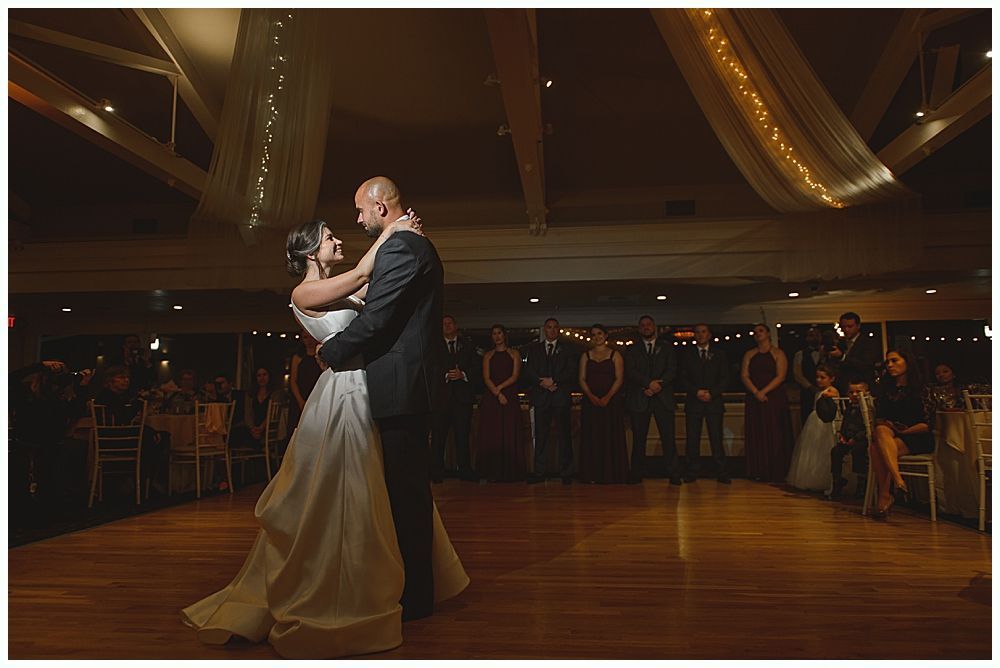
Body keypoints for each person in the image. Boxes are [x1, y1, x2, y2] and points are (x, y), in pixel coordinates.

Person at [183, 199, 468, 658]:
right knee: (341, 488)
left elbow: (372, 291)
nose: (339, 238)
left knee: (372, 488)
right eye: (330, 236)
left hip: (366, 387)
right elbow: (361, 277)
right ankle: (336, 585)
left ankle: (379, 577)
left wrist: (399, 235)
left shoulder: (340, 286)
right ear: (313, 251)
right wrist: (393, 231)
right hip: (342, 393)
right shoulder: (303, 293)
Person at [318, 177, 468, 623]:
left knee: (407, 496)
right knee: (403, 493)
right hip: (400, 385)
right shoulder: (401, 242)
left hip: (403, 386)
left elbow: (380, 318)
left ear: (381, 207)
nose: (357, 218)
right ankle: (412, 587)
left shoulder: (403, 248)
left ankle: (416, 599)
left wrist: (332, 350)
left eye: (361, 209)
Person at [870, 349, 935, 518]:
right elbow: (879, 418)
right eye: (888, 362)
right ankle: (897, 480)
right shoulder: (885, 388)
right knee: (880, 430)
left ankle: (885, 495)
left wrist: (906, 430)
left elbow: (927, 425)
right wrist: (891, 425)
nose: (890, 365)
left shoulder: (922, 389)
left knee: (876, 449)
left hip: (917, 436)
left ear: (907, 362)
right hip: (890, 435)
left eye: (894, 361)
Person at [623, 315, 679, 484]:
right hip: (641, 397)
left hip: (663, 398)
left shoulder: (667, 347)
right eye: (642, 325)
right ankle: (637, 474)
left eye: (649, 324)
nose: (646, 327)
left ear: (654, 326)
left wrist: (657, 386)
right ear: (639, 329)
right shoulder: (632, 349)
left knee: (668, 438)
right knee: (639, 439)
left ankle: (674, 474)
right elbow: (630, 371)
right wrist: (648, 384)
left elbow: (672, 369)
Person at [521, 318, 578, 484]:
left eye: (555, 328)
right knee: (541, 436)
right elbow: (528, 370)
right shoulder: (535, 349)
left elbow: (572, 370)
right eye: (549, 327)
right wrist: (542, 382)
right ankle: (540, 472)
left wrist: (554, 381)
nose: (552, 330)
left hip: (560, 397)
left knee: (564, 436)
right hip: (541, 398)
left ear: (558, 330)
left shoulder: (568, 349)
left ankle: (566, 473)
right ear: (545, 330)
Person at [740, 323, 794, 482]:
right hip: (754, 397)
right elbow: (744, 375)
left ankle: (776, 469)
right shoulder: (749, 354)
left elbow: (781, 376)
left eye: (761, 331)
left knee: (775, 431)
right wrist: (756, 392)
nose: (757, 334)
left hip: (774, 397)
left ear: (769, 334)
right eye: (755, 332)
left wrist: (764, 391)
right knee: (757, 431)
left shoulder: (778, 353)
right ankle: (758, 470)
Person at [431, 315, 480, 482]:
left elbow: (476, 367)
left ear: (456, 325)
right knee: (439, 438)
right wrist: (445, 375)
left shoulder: (467, 345)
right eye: (444, 324)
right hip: (442, 400)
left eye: (450, 323)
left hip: (462, 399)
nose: (447, 326)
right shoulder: (435, 346)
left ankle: (464, 470)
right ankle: (437, 471)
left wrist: (463, 374)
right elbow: (430, 368)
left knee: (462, 436)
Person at [679, 323, 731, 484]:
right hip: (694, 402)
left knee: (716, 439)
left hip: (713, 402)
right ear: (694, 335)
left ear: (709, 335)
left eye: (703, 332)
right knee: (692, 439)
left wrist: (712, 393)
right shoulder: (687, 355)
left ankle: (721, 472)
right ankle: (692, 471)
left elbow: (725, 378)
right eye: (697, 332)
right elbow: (682, 378)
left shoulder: (720, 354)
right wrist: (696, 392)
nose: (700, 335)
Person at [577, 324, 628, 484]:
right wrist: (591, 396)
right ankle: (592, 474)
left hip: (611, 402)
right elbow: (581, 379)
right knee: (592, 436)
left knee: (609, 436)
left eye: (599, 333)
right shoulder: (585, 355)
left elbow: (619, 378)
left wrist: (607, 397)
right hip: (590, 402)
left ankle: (611, 474)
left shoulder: (615, 355)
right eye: (593, 334)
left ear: (606, 335)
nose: (597, 337)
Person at [476, 324, 526, 482]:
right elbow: (486, 377)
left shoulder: (514, 354)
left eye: (499, 333)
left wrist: (501, 389)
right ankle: (490, 471)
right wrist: (497, 393)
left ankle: (511, 471)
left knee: (509, 430)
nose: (497, 336)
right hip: (492, 397)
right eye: (494, 334)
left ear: (504, 335)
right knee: (492, 433)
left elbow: (515, 376)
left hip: (509, 394)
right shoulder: (488, 355)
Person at [786, 364, 839, 491]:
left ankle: (827, 480)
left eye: (823, 377)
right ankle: (811, 478)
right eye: (817, 377)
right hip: (814, 421)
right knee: (812, 451)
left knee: (824, 449)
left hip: (825, 422)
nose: (819, 380)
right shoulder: (818, 392)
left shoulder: (831, 391)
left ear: (831, 379)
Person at [829, 377, 870, 499]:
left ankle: (861, 483)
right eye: (851, 392)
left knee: (859, 450)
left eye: (858, 392)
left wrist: (856, 438)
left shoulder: (867, 409)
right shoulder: (849, 408)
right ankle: (837, 480)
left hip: (861, 439)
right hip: (848, 438)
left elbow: (867, 428)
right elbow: (845, 424)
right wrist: (842, 435)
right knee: (836, 451)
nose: (855, 395)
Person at [827, 312, 881, 392]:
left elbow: (866, 364)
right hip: (843, 387)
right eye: (843, 327)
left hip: (862, 387)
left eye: (850, 326)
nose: (846, 330)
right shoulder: (840, 343)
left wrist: (842, 357)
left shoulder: (868, 342)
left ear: (858, 326)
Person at [289, 329, 323, 430]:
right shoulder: (297, 357)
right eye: (305, 337)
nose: (308, 340)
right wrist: (300, 401)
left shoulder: (321, 356)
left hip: (315, 396)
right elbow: (293, 381)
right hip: (300, 396)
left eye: (310, 337)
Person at [792, 327, 824, 424]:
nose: (814, 338)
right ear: (806, 338)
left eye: (817, 335)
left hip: (825, 391)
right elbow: (797, 375)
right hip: (807, 393)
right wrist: (811, 387)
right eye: (811, 335)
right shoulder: (800, 354)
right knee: (808, 419)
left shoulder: (827, 353)